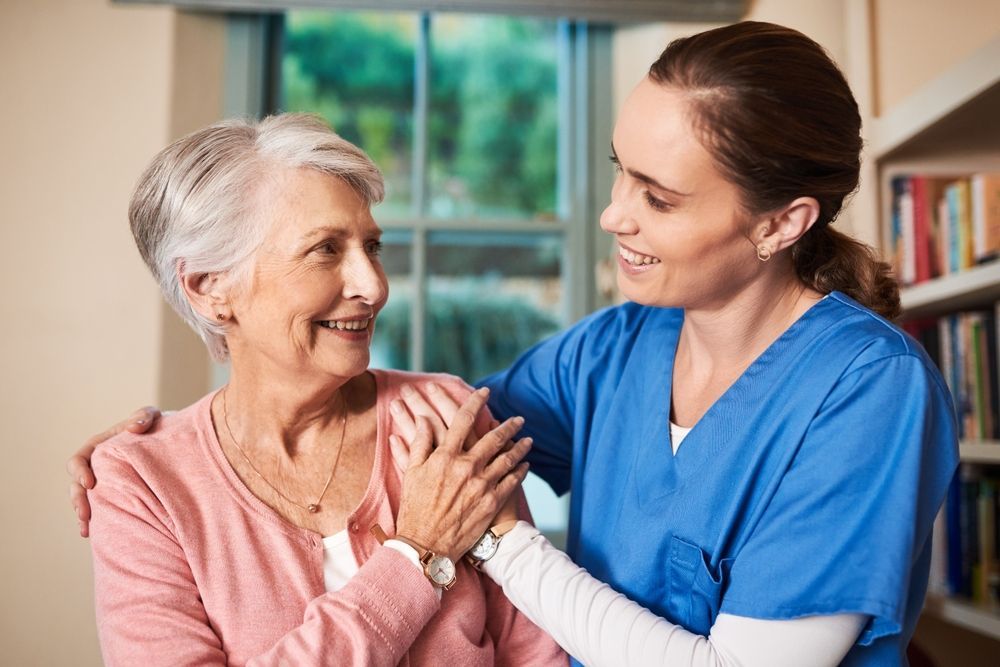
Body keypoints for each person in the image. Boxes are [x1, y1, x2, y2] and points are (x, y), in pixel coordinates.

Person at [70, 22, 958, 667]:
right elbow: (432, 418)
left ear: (782, 222)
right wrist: (158, 443)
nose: (614, 215)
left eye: (659, 196)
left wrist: (492, 542)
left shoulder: (868, 390)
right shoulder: (610, 352)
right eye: (620, 171)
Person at [75, 112, 565, 666]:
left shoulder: (444, 418)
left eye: (372, 247)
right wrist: (416, 555)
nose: (373, 287)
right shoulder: (144, 485)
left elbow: (535, 654)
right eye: (325, 250)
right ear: (211, 288)